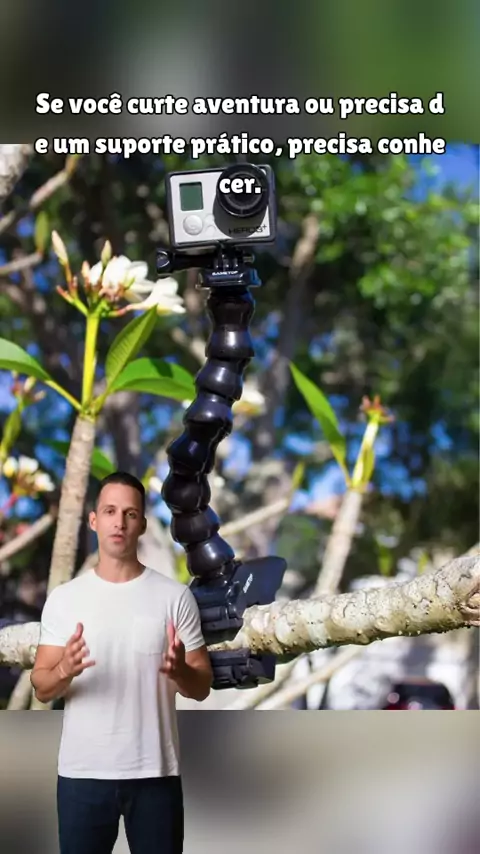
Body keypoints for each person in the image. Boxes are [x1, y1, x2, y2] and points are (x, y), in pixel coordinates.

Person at [31, 471, 213, 854]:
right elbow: (41, 686)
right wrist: (64, 669)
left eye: (130, 514)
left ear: (142, 524)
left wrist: (180, 670)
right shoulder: (64, 599)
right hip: (81, 776)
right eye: (110, 511)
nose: (119, 522)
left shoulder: (175, 597)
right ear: (93, 520)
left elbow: (201, 687)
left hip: (156, 776)